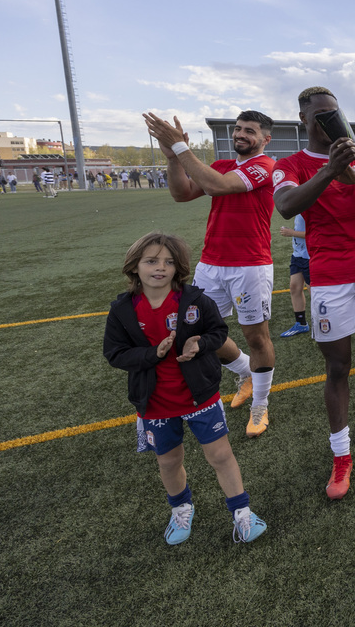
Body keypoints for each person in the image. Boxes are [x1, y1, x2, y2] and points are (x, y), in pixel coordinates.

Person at [273, 87, 355, 499]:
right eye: (321, 117)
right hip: (330, 278)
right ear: (304, 120)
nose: (330, 123)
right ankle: (341, 457)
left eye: (335, 115)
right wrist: (329, 171)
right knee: (336, 368)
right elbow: (286, 205)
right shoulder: (291, 163)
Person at [102, 231, 267, 545]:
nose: (160, 267)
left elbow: (218, 331)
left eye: (168, 262)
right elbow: (114, 353)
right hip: (156, 403)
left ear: (179, 268)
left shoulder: (194, 300)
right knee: (168, 460)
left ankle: (242, 513)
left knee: (221, 455)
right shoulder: (123, 310)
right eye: (151, 261)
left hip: (201, 397)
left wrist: (200, 343)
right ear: (134, 266)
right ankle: (181, 508)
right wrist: (153, 354)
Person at [145, 110, 278, 440]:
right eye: (238, 129)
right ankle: (247, 371)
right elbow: (181, 193)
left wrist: (180, 148)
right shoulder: (221, 165)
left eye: (250, 130)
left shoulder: (265, 167)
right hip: (211, 264)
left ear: (265, 139)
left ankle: (260, 404)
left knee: (256, 336)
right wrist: (173, 157)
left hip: (250, 266)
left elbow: (218, 187)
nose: (241, 134)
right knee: (198, 331)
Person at [278, 215, 311, 337]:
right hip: (298, 255)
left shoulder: (312, 206)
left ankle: (324, 322)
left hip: (310, 256)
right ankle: (301, 324)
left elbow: (314, 233)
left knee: (314, 292)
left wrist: (291, 232)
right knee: (294, 287)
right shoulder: (299, 204)